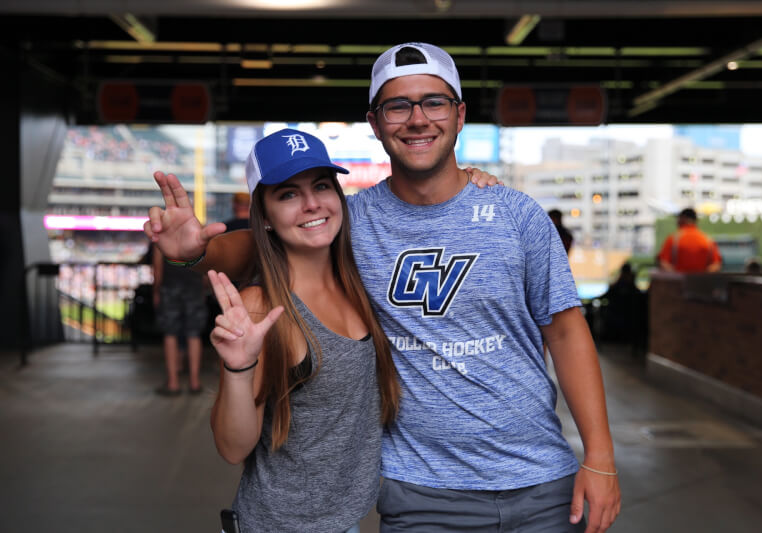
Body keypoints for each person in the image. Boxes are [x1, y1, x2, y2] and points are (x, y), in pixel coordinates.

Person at [145, 42, 620, 532]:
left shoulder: (516, 215)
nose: (418, 119)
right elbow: (268, 242)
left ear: (459, 115)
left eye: (434, 102)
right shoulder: (352, 222)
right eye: (398, 106)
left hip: (542, 483)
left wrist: (600, 456)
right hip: (421, 494)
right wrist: (193, 252)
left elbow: (567, 333)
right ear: (375, 123)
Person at [207, 128, 401, 532]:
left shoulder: (360, 281)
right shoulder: (262, 306)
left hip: (346, 521)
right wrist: (238, 369)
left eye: (321, 186)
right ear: (265, 217)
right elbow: (232, 447)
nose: (312, 203)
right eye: (288, 194)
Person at [152, 245, 206, 395]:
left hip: (169, 286)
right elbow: (205, 264)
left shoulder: (161, 236)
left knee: (170, 334)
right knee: (194, 334)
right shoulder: (196, 234)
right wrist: (202, 289)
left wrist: (156, 291)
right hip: (194, 287)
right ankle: (195, 382)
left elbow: (157, 268)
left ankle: (173, 383)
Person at [657, 207, 722, 273]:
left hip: (679, 278)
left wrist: (676, 274)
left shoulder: (673, 239)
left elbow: (663, 263)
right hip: (701, 279)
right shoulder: (707, 240)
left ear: (682, 219)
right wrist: (702, 275)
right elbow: (716, 265)